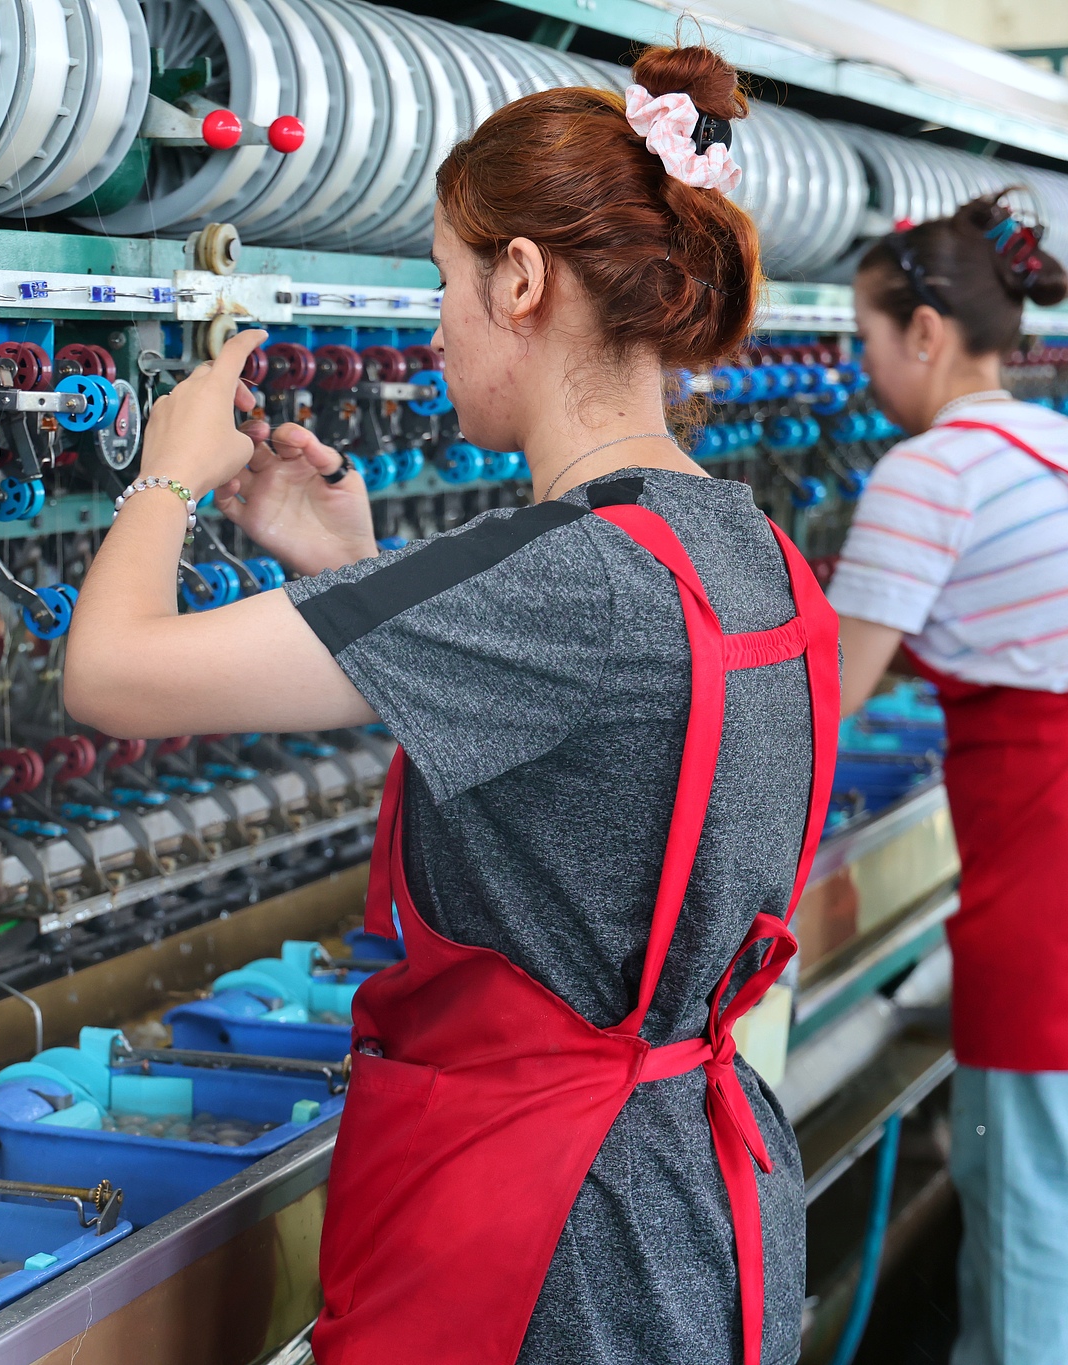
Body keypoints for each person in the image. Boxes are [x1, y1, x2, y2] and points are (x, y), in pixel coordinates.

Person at [65, 44, 834, 1365]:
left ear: (522, 281)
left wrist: (169, 474)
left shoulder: (558, 573)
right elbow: (587, 728)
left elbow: (111, 674)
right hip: (693, 1192)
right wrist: (363, 581)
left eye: (442, 282)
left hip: (554, 1236)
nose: (431, 329)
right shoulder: (741, 543)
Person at [827, 193, 1068, 1365]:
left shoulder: (930, 471)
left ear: (925, 334)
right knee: (1011, 1158)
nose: (861, 365)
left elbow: (819, 698)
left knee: (1035, 1193)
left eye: (863, 338)